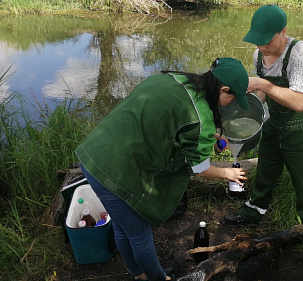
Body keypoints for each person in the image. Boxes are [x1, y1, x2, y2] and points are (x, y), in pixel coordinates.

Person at [76, 57, 249, 281]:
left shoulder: (174, 79)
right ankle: (158, 278)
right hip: (112, 172)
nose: (230, 103)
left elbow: (171, 120)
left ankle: (139, 274)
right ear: (224, 89)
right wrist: (227, 173)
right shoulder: (201, 117)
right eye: (232, 97)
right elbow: (199, 168)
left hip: (94, 155)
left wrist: (210, 136)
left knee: (122, 228)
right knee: (139, 233)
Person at [221, 5, 303, 277]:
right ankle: (253, 212)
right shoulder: (259, 54)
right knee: (265, 174)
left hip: (299, 129)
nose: (261, 46)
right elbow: (260, 97)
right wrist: (241, 113)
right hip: (272, 126)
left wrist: (263, 85)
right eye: (257, 40)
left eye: (267, 40)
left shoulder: (302, 54)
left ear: (283, 32)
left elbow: (298, 101)